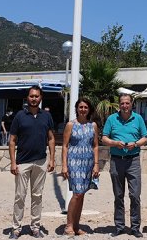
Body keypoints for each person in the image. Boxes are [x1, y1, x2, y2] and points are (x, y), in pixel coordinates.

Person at [8, 85, 56, 239]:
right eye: (31, 96)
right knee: (20, 196)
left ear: (40, 98)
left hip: (41, 161)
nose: (34, 99)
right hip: (22, 162)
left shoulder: (46, 116)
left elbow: (51, 139)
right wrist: (13, 163)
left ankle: (35, 227)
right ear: (27, 98)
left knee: (37, 195)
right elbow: (12, 141)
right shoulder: (19, 116)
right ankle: (16, 228)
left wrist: (52, 159)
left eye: (36, 96)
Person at [102, 93, 147, 238]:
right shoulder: (111, 119)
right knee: (118, 195)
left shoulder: (138, 118)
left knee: (135, 195)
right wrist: (115, 143)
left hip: (133, 160)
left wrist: (135, 143)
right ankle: (119, 226)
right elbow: (104, 138)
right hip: (116, 160)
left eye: (127, 103)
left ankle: (135, 227)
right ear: (119, 104)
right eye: (122, 103)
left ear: (131, 104)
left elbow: (145, 138)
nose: (125, 106)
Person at [61, 97, 100, 236]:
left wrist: (96, 165)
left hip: (88, 163)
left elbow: (95, 146)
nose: (83, 110)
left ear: (89, 109)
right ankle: (69, 225)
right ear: (77, 109)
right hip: (74, 162)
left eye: (85, 107)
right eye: (81, 107)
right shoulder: (71, 125)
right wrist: (64, 166)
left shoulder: (93, 125)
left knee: (82, 194)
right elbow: (65, 146)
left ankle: (76, 226)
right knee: (77, 194)